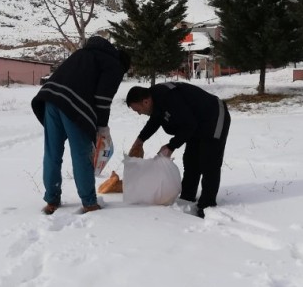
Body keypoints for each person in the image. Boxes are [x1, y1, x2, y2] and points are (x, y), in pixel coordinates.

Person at [32, 36, 130, 215]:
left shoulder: (82, 53)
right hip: (73, 107)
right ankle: (89, 202)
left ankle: (52, 200)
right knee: (81, 154)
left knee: (52, 153)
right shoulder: (114, 65)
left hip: (50, 100)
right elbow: (102, 99)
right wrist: (102, 126)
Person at [126, 82, 230, 218]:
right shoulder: (155, 99)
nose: (139, 114)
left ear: (145, 102)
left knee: (209, 162)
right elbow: (155, 120)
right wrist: (139, 141)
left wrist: (171, 147)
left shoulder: (169, 98)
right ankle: (187, 197)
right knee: (191, 160)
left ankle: (207, 205)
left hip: (215, 116)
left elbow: (188, 125)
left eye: (137, 110)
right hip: (196, 122)